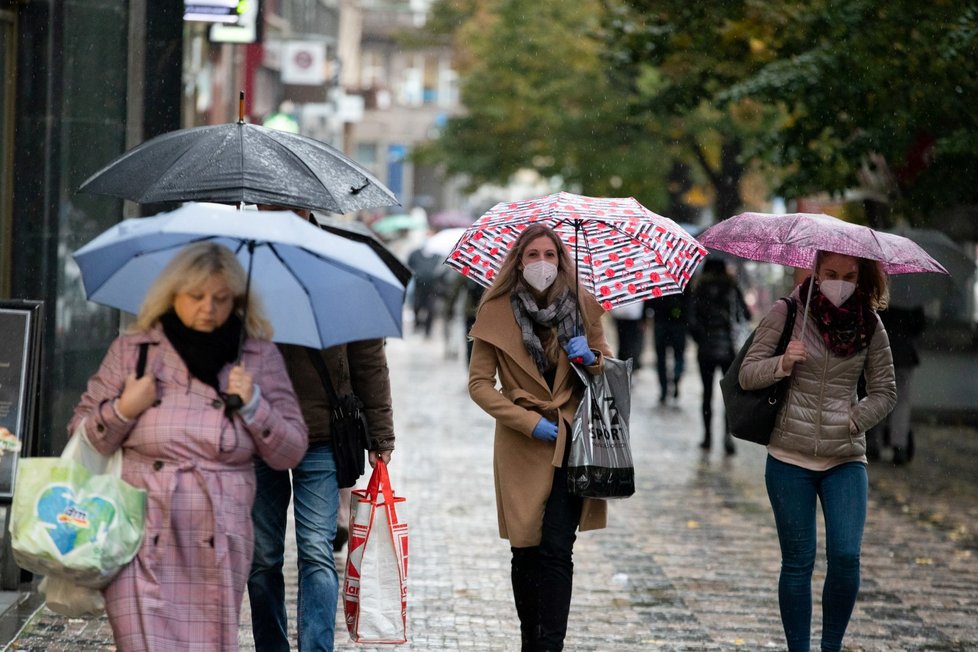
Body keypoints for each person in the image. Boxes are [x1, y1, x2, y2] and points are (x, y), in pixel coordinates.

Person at [68, 242, 309, 651]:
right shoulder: (134, 351)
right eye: (196, 297)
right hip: (140, 530)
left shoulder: (257, 355)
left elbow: (290, 450)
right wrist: (124, 409)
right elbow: (82, 433)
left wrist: (254, 406)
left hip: (217, 532)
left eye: (221, 298)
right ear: (171, 295)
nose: (208, 309)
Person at [248, 205, 397, 652]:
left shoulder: (342, 266)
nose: (268, 210)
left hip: (321, 434)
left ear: (304, 206)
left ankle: (316, 648)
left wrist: (381, 435)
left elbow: (368, 357)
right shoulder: (244, 264)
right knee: (262, 557)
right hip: (258, 432)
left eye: (277, 203)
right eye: (263, 204)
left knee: (316, 551)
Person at [739, 251, 896, 652]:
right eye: (830, 273)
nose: (838, 282)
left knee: (845, 556)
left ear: (860, 278)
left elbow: (885, 391)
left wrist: (854, 419)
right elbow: (747, 373)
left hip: (845, 458)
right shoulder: (786, 311)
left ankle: (830, 647)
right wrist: (782, 363)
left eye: (847, 275)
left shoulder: (870, 324)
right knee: (798, 561)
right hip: (789, 457)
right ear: (815, 271)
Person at [467, 224, 613, 652]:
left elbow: (608, 373)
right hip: (522, 444)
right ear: (519, 261)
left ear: (562, 260)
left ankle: (550, 646)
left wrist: (592, 359)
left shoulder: (584, 307)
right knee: (526, 551)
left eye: (550, 255)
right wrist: (528, 422)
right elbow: (479, 385)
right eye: (533, 255)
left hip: (572, 440)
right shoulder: (495, 311)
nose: (543, 264)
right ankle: (530, 636)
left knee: (555, 549)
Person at [688, 258, 751, 454]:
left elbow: (691, 320)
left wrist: (702, 339)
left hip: (706, 350)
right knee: (728, 396)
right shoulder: (732, 288)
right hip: (729, 350)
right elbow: (747, 315)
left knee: (707, 394)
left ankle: (707, 437)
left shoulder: (699, 289)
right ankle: (727, 437)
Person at [866, 305, 926, 465]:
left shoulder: (882, 296)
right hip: (904, 354)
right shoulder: (913, 298)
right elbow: (919, 325)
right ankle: (898, 444)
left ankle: (874, 443)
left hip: (881, 352)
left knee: (878, 394)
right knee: (901, 400)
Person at [647, 291, 689, 404]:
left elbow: (649, 302)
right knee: (679, 355)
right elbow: (689, 301)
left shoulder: (655, 278)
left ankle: (664, 390)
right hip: (678, 323)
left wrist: (646, 314)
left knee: (661, 359)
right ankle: (677, 375)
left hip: (660, 323)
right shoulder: (682, 278)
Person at [609, 301, 647, 372]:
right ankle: (628, 366)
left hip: (624, 314)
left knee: (625, 344)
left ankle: (626, 366)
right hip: (630, 315)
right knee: (628, 344)